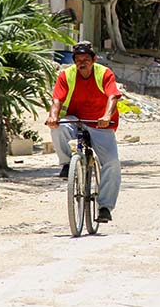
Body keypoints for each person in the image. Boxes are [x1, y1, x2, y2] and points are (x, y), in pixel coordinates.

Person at [46, 41, 121, 223]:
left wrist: (106, 116)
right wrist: (53, 116)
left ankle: (105, 207)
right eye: (78, 60)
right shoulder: (66, 75)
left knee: (112, 163)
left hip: (100, 123)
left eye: (86, 59)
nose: (82, 63)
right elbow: (57, 100)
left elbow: (113, 96)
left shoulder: (104, 73)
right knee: (59, 127)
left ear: (94, 59)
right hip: (76, 120)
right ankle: (67, 164)